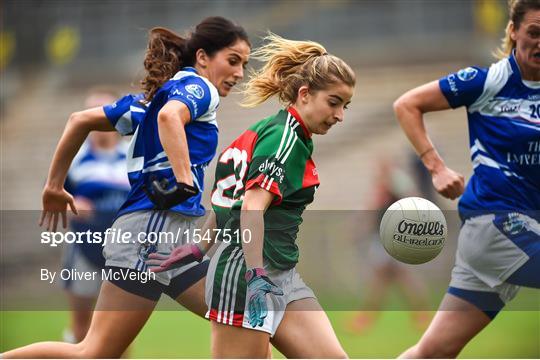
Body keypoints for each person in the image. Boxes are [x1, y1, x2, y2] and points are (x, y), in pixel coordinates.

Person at [3, 16, 250, 358]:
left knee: (244, 316)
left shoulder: (149, 101)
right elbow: (170, 118)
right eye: (233, 61)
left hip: (167, 239)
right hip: (151, 234)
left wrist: (54, 185)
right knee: (94, 352)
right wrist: (182, 178)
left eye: (244, 64)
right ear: (204, 57)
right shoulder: (200, 88)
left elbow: (80, 120)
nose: (239, 73)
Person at [149, 33, 355, 358]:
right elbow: (250, 208)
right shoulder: (282, 139)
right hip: (249, 275)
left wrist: (199, 246)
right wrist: (256, 274)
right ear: (304, 94)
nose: (340, 115)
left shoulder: (269, 131)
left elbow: (228, 201)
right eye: (333, 102)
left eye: (345, 105)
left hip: (279, 272)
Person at [393, 0, 540, 357]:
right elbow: (407, 104)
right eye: (534, 33)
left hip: (514, 233)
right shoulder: (487, 81)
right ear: (513, 32)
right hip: (497, 225)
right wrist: (436, 166)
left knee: (432, 352)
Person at [60, 89, 131, 344]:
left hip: (123, 252)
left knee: (121, 329)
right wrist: (73, 204)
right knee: (82, 328)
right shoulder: (74, 158)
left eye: (102, 112)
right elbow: (55, 200)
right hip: (84, 250)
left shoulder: (133, 156)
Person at [348, 158, 430, 334]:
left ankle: (368, 317)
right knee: (387, 279)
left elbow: (414, 201)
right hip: (382, 238)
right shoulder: (382, 187)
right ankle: (419, 314)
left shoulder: (398, 185)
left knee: (397, 278)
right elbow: (372, 211)